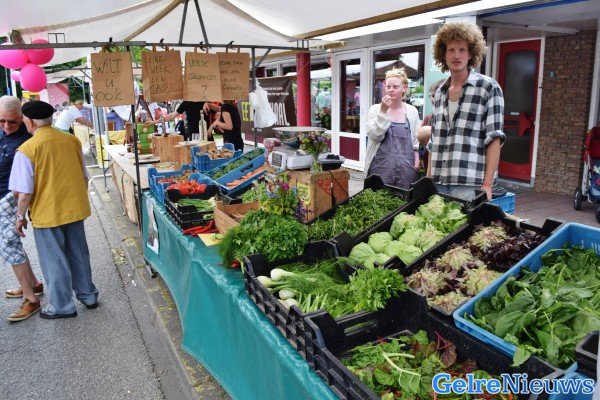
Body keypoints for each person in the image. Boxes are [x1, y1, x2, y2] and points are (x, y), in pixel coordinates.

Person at [10, 100, 99, 319]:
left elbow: (24, 192)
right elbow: (84, 175)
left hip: (47, 213)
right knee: (79, 254)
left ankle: (62, 306)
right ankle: (88, 296)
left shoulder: (27, 149)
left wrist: (20, 217)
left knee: (54, 261)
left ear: (30, 122)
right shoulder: (71, 140)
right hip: (74, 208)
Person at [427, 22, 505, 201]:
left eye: (462, 49)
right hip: (438, 181)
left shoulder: (488, 87)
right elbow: (434, 139)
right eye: (451, 50)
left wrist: (487, 184)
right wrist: (429, 178)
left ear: (470, 53)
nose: (456, 55)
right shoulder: (439, 91)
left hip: (469, 184)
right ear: (443, 55)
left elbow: (494, 138)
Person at [0, 96, 44, 322]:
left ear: (22, 118)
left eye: (12, 122)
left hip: (10, 198)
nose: (6, 126)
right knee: (13, 245)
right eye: (2, 121)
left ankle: (31, 299)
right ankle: (33, 284)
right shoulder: (4, 134)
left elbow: (29, 179)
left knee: (10, 247)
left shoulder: (27, 139)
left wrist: (18, 209)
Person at [364, 67, 421, 189]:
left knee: (403, 199)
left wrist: (417, 161)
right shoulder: (375, 109)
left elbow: (415, 141)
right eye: (388, 86)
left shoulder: (412, 111)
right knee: (377, 197)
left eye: (395, 87)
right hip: (380, 168)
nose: (391, 90)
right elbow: (374, 136)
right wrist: (383, 111)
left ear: (404, 88)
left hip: (406, 170)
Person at [417, 79, 447, 172]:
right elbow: (421, 143)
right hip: (429, 167)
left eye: (437, 96)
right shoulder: (428, 118)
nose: (433, 99)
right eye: (432, 96)